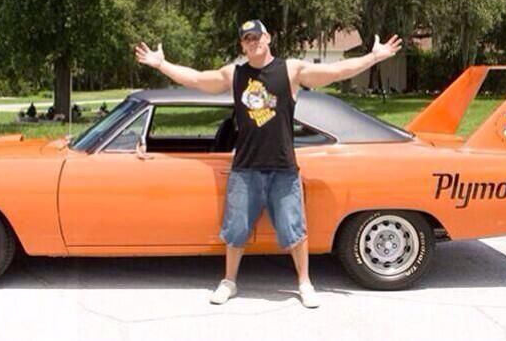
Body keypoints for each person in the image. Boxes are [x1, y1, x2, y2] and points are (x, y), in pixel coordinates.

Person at [134, 20, 401, 308]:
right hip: (245, 168)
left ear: (268, 38)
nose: (252, 43)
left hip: (283, 168)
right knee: (236, 230)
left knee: (294, 230)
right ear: (242, 45)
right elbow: (198, 79)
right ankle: (229, 282)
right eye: (247, 39)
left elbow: (335, 72)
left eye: (256, 37)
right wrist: (162, 64)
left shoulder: (291, 70)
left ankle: (304, 284)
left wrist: (373, 57)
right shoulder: (235, 74)